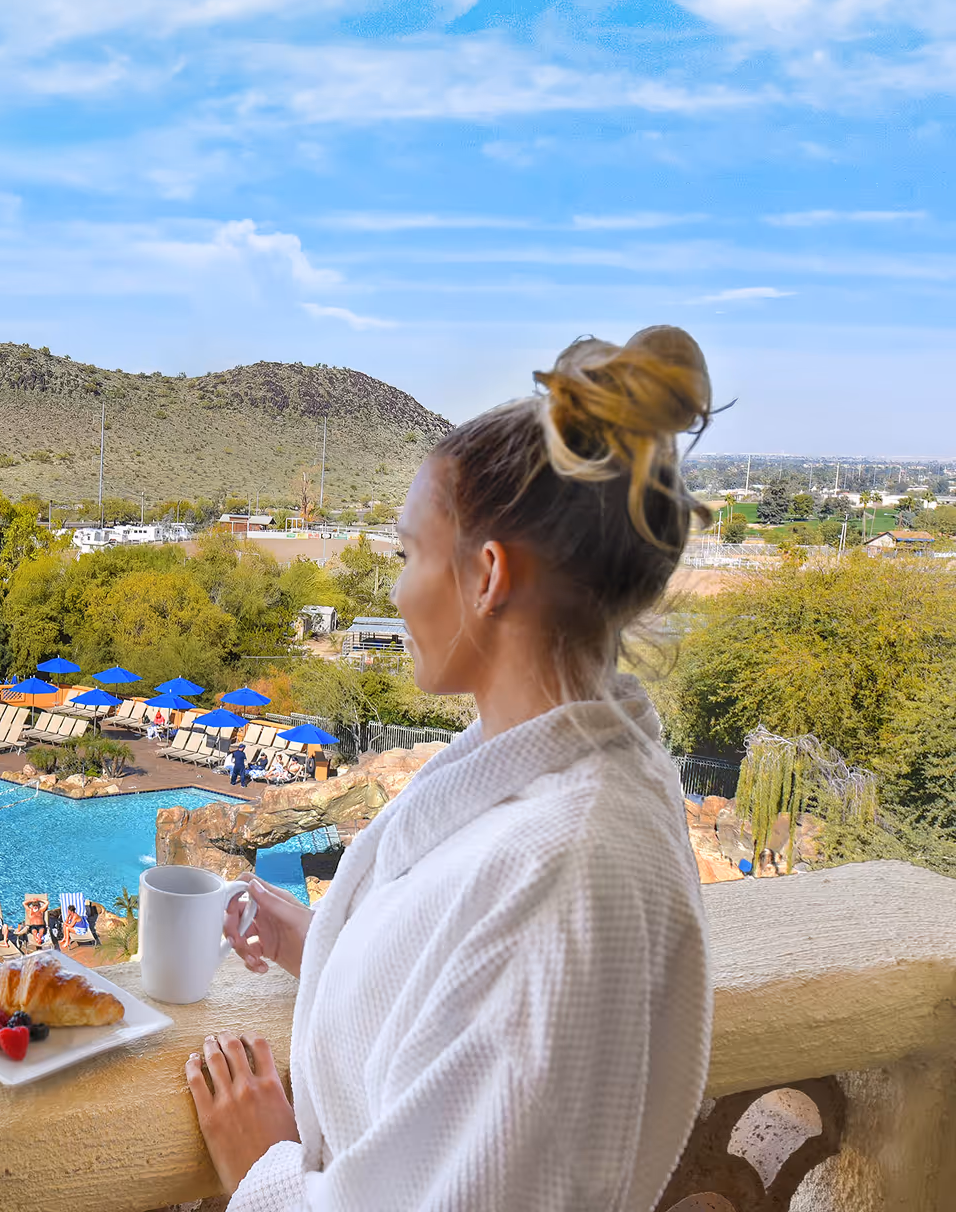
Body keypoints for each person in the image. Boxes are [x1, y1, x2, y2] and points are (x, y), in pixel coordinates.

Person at [185, 327, 716, 1210]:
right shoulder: (566, 787)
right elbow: (467, 1026)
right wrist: (322, 947)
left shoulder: (562, 876)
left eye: (408, 555)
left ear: (487, 575)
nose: (395, 593)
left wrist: (267, 1172)